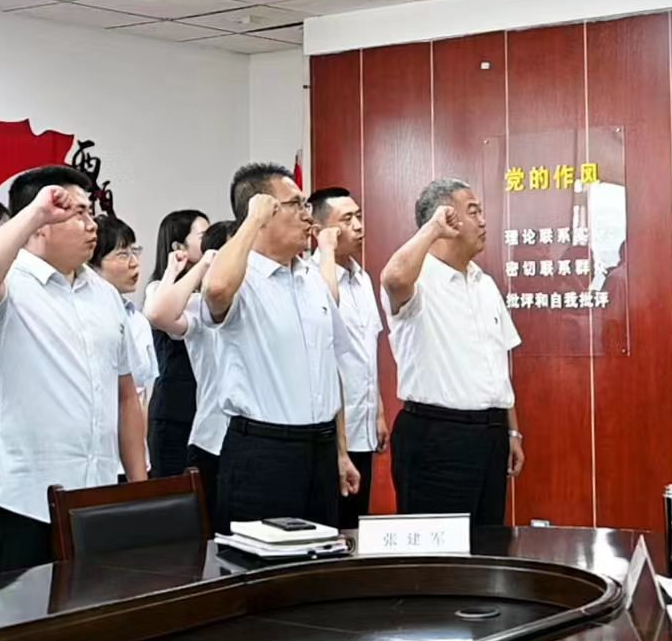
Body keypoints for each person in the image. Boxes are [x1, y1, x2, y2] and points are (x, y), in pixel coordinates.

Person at [0, 165, 147, 574]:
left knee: (97, 608)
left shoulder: (105, 295)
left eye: (90, 212)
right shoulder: (8, 284)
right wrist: (36, 211)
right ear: (40, 225)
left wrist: (138, 489)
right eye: (77, 213)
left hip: (96, 498)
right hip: (24, 501)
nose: (91, 225)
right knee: (20, 612)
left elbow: (125, 396)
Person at [193, 164, 358, 529]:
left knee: (321, 556)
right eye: (295, 204)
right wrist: (251, 221)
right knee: (261, 562)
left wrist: (340, 451)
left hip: (320, 448)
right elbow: (216, 291)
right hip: (263, 452)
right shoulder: (240, 276)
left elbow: (329, 367)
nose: (307, 216)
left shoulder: (312, 278)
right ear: (263, 210)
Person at [380, 177, 523, 526]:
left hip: (491, 436)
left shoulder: (484, 283)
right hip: (437, 438)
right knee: (438, 549)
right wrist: (431, 230)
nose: (483, 221)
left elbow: (498, 366)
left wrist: (512, 431)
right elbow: (393, 279)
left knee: (487, 545)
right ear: (446, 218)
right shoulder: (417, 279)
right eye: (473, 212)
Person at [144, 220, 230, 526]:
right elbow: (158, 312)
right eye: (200, 235)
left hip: (227, 426)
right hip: (182, 414)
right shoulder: (194, 302)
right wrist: (204, 263)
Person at [310, 187, 385, 530]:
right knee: (330, 527)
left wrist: (379, 411)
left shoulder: (363, 278)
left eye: (359, 216)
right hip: (330, 431)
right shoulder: (312, 278)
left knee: (356, 526)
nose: (358, 226)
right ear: (320, 230)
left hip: (363, 425)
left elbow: (368, 351)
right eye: (347, 219)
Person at [145, 210, 208, 479]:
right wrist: (180, 269)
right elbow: (160, 314)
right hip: (174, 412)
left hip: (204, 409)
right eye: (203, 235)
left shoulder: (211, 288)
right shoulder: (159, 288)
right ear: (178, 246)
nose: (210, 242)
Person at [92, 216, 156, 416]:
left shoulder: (138, 321)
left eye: (134, 252)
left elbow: (143, 393)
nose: (134, 263)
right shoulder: (84, 318)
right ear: (92, 264)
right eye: (123, 255)